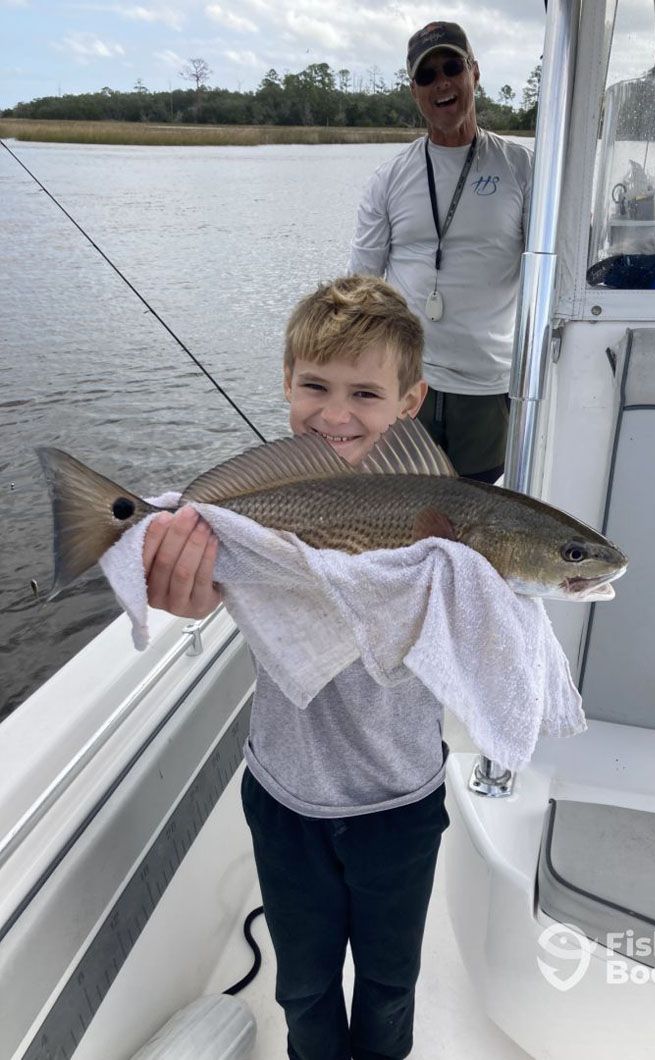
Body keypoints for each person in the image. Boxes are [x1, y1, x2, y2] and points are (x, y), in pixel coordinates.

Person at [143, 275, 449, 1060]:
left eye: (366, 393)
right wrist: (187, 590)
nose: (336, 413)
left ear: (410, 401)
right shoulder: (260, 511)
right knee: (303, 985)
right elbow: (213, 586)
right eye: (314, 385)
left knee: (389, 980)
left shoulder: (443, 524)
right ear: (285, 383)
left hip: (401, 799)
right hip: (283, 794)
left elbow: (479, 639)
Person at [349, 21, 533, 484]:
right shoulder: (389, 178)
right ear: (414, 90)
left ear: (474, 72)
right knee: (403, 511)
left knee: (480, 512)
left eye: (452, 67)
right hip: (408, 383)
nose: (442, 83)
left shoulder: (521, 168)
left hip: (488, 385)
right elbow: (360, 290)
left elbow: (556, 273)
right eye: (427, 75)